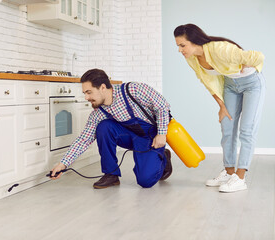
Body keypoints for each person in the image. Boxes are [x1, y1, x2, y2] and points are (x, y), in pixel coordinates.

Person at [174, 24, 265, 193]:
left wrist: (247, 63)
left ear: (194, 41)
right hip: (231, 86)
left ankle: (240, 177)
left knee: (246, 129)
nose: (180, 50)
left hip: (252, 84)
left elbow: (258, 56)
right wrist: (221, 106)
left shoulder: (220, 49)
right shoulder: (192, 59)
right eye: (178, 46)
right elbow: (207, 82)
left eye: (182, 45)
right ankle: (229, 173)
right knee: (227, 127)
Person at [50, 68, 173, 189]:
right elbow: (84, 139)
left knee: (145, 181)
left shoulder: (133, 90)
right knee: (104, 127)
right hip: (130, 137)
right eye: (85, 94)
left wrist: (161, 134)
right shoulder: (98, 113)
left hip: (151, 138)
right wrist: (63, 164)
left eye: (89, 92)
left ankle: (164, 158)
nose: (86, 98)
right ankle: (111, 174)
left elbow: (162, 106)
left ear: (103, 87)